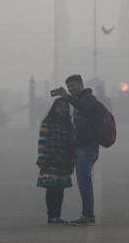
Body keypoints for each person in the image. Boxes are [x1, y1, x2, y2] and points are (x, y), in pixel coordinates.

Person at [56, 74, 102, 225]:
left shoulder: (89, 99)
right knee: (83, 181)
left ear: (81, 85)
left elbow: (84, 109)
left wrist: (67, 97)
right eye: (69, 87)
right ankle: (87, 214)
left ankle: (88, 215)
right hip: (82, 146)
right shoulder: (79, 101)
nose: (71, 89)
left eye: (73, 86)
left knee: (84, 181)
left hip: (88, 146)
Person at [36, 98, 76, 225]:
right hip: (50, 160)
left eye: (65, 107)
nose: (63, 109)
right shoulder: (47, 123)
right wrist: (42, 158)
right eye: (60, 107)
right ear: (54, 108)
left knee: (60, 190)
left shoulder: (69, 125)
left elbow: (72, 144)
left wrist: (72, 160)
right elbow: (42, 141)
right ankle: (51, 216)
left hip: (64, 161)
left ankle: (57, 216)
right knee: (51, 189)